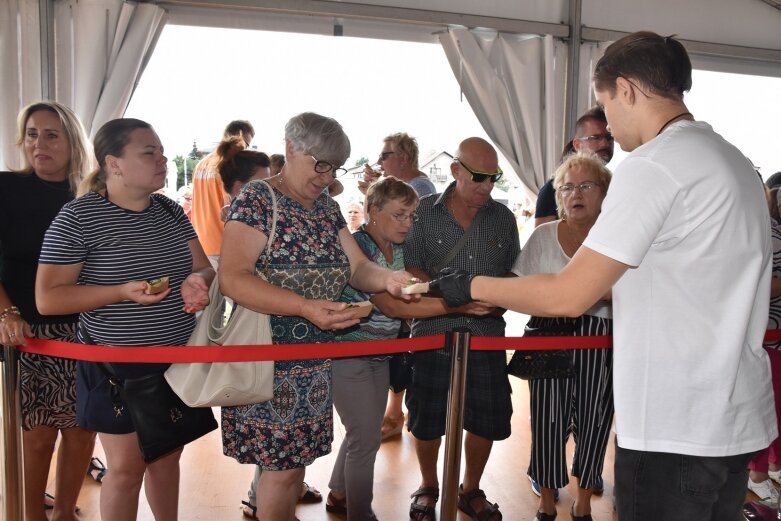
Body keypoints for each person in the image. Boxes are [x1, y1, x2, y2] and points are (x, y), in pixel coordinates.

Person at [433, 31, 777, 521]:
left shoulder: (655, 165)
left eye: (606, 105)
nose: (608, 125)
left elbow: (571, 292)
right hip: (734, 418)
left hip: (675, 423)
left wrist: (467, 285)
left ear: (628, 89)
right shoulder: (734, 162)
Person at [219, 112, 415, 521]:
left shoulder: (326, 208)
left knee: (294, 473)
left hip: (314, 363)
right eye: (319, 164)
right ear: (290, 149)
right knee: (279, 475)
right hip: (269, 360)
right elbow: (233, 279)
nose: (327, 177)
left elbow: (358, 268)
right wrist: (305, 307)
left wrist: (390, 279)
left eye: (335, 167)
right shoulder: (258, 200)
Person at [36, 118, 215, 521]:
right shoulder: (78, 218)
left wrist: (196, 282)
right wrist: (120, 291)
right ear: (112, 163)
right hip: (116, 365)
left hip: (175, 358)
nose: (163, 159)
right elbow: (48, 298)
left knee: (168, 458)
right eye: (149, 152)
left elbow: (204, 268)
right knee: (127, 468)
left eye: (161, 151)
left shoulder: (169, 210)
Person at [403, 137, 519, 521]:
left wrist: (497, 295)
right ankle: (428, 486)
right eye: (479, 178)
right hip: (434, 329)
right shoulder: (423, 213)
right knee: (426, 414)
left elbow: (512, 273)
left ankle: (471, 489)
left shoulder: (503, 218)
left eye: (494, 178)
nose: (488, 187)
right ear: (456, 171)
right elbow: (412, 267)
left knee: (487, 414)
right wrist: (449, 296)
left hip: (485, 334)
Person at [0, 101, 96, 521]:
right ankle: (29, 513)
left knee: (82, 431)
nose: (39, 143)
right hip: (29, 331)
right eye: (33, 133)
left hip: (89, 331)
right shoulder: (5, 188)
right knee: (38, 437)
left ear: (72, 142)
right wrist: (6, 314)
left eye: (51, 134)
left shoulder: (95, 196)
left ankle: (64, 512)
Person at [514, 152, 613, 521]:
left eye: (586, 185)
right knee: (547, 420)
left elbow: (634, 292)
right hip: (548, 332)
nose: (576, 193)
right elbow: (521, 289)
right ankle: (545, 501)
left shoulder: (617, 240)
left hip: (599, 334)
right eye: (568, 187)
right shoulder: (542, 236)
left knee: (595, 418)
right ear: (558, 196)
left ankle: (584, 502)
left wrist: (581, 295)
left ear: (604, 193)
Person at [327, 176, 420, 520]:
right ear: (373, 211)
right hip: (347, 354)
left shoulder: (399, 250)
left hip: (379, 354)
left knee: (362, 431)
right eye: (399, 215)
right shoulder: (359, 247)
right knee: (365, 438)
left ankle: (339, 494)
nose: (407, 223)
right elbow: (393, 306)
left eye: (411, 215)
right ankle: (360, 513)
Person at [359, 132, 438, 441]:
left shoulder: (419, 189)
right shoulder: (365, 245)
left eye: (385, 155)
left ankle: (393, 413)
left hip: (381, 340)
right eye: (400, 215)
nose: (380, 162)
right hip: (364, 346)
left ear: (402, 158)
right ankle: (393, 413)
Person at [746, 185, 781, 507]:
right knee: (767, 404)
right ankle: (758, 473)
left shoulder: (765, 229)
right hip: (765, 336)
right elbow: (760, 285)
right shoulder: (763, 232)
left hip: (769, 336)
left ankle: (769, 467)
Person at [534, 107, 614, 228]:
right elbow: (545, 242)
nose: (605, 143)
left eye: (609, 137)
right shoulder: (553, 189)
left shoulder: (614, 184)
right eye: (596, 138)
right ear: (577, 144)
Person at [191, 119, 254, 266]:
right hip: (223, 243)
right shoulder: (230, 164)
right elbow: (232, 206)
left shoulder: (202, 164)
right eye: (247, 144)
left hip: (201, 241)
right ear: (240, 138)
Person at [359, 132, 436, 197]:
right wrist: (374, 185)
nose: (378, 162)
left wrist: (372, 192)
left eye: (384, 156)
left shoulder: (419, 187)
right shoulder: (411, 186)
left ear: (403, 158)